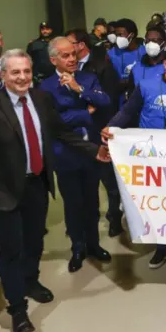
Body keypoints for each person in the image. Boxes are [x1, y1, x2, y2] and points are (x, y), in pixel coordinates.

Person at [0, 49, 110, 332]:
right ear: (3, 75)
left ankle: (31, 280)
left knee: (34, 241)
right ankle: (18, 309)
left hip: (36, 183)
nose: (22, 77)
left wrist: (94, 151)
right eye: (15, 72)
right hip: (4, 189)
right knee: (11, 250)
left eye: (27, 72)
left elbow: (62, 132)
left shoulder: (41, 99)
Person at [102, 45, 166, 270]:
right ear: (165, 63)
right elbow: (128, 111)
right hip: (150, 159)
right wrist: (111, 128)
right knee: (157, 205)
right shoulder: (145, 87)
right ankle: (162, 247)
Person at [39, 37, 112, 273]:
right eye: (65, 56)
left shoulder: (88, 78)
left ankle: (94, 244)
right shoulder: (46, 87)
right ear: (53, 60)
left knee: (92, 200)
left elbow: (105, 101)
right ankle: (77, 247)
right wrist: (83, 113)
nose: (72, 59)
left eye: (73, 54)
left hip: (92, 151)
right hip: (65, 153)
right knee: (73, 203)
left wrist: (79, 90)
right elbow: (53, 123)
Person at [65, 29, 124, 237]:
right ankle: (85, 222)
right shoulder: (67, 70)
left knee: (109, 181)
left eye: (70, 43)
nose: (67, 50)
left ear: (81, 45)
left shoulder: (101, 65)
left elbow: (110, 97)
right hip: (78, 133)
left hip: (102, 128)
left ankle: (114, 218)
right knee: (85, 183)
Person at [126, 26, 166, 97]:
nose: (150, 43)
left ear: (164, 43)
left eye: (155, 40)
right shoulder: (136, 68)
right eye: (148, 40)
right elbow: (131, 96)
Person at [27, 22, 56, 87]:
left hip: (55, 76)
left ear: (51, 30)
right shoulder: (34, 44)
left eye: (47, 29)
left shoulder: (57, 42)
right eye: (43, 29)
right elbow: (28, 60)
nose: (45, 31)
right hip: (39, 78)